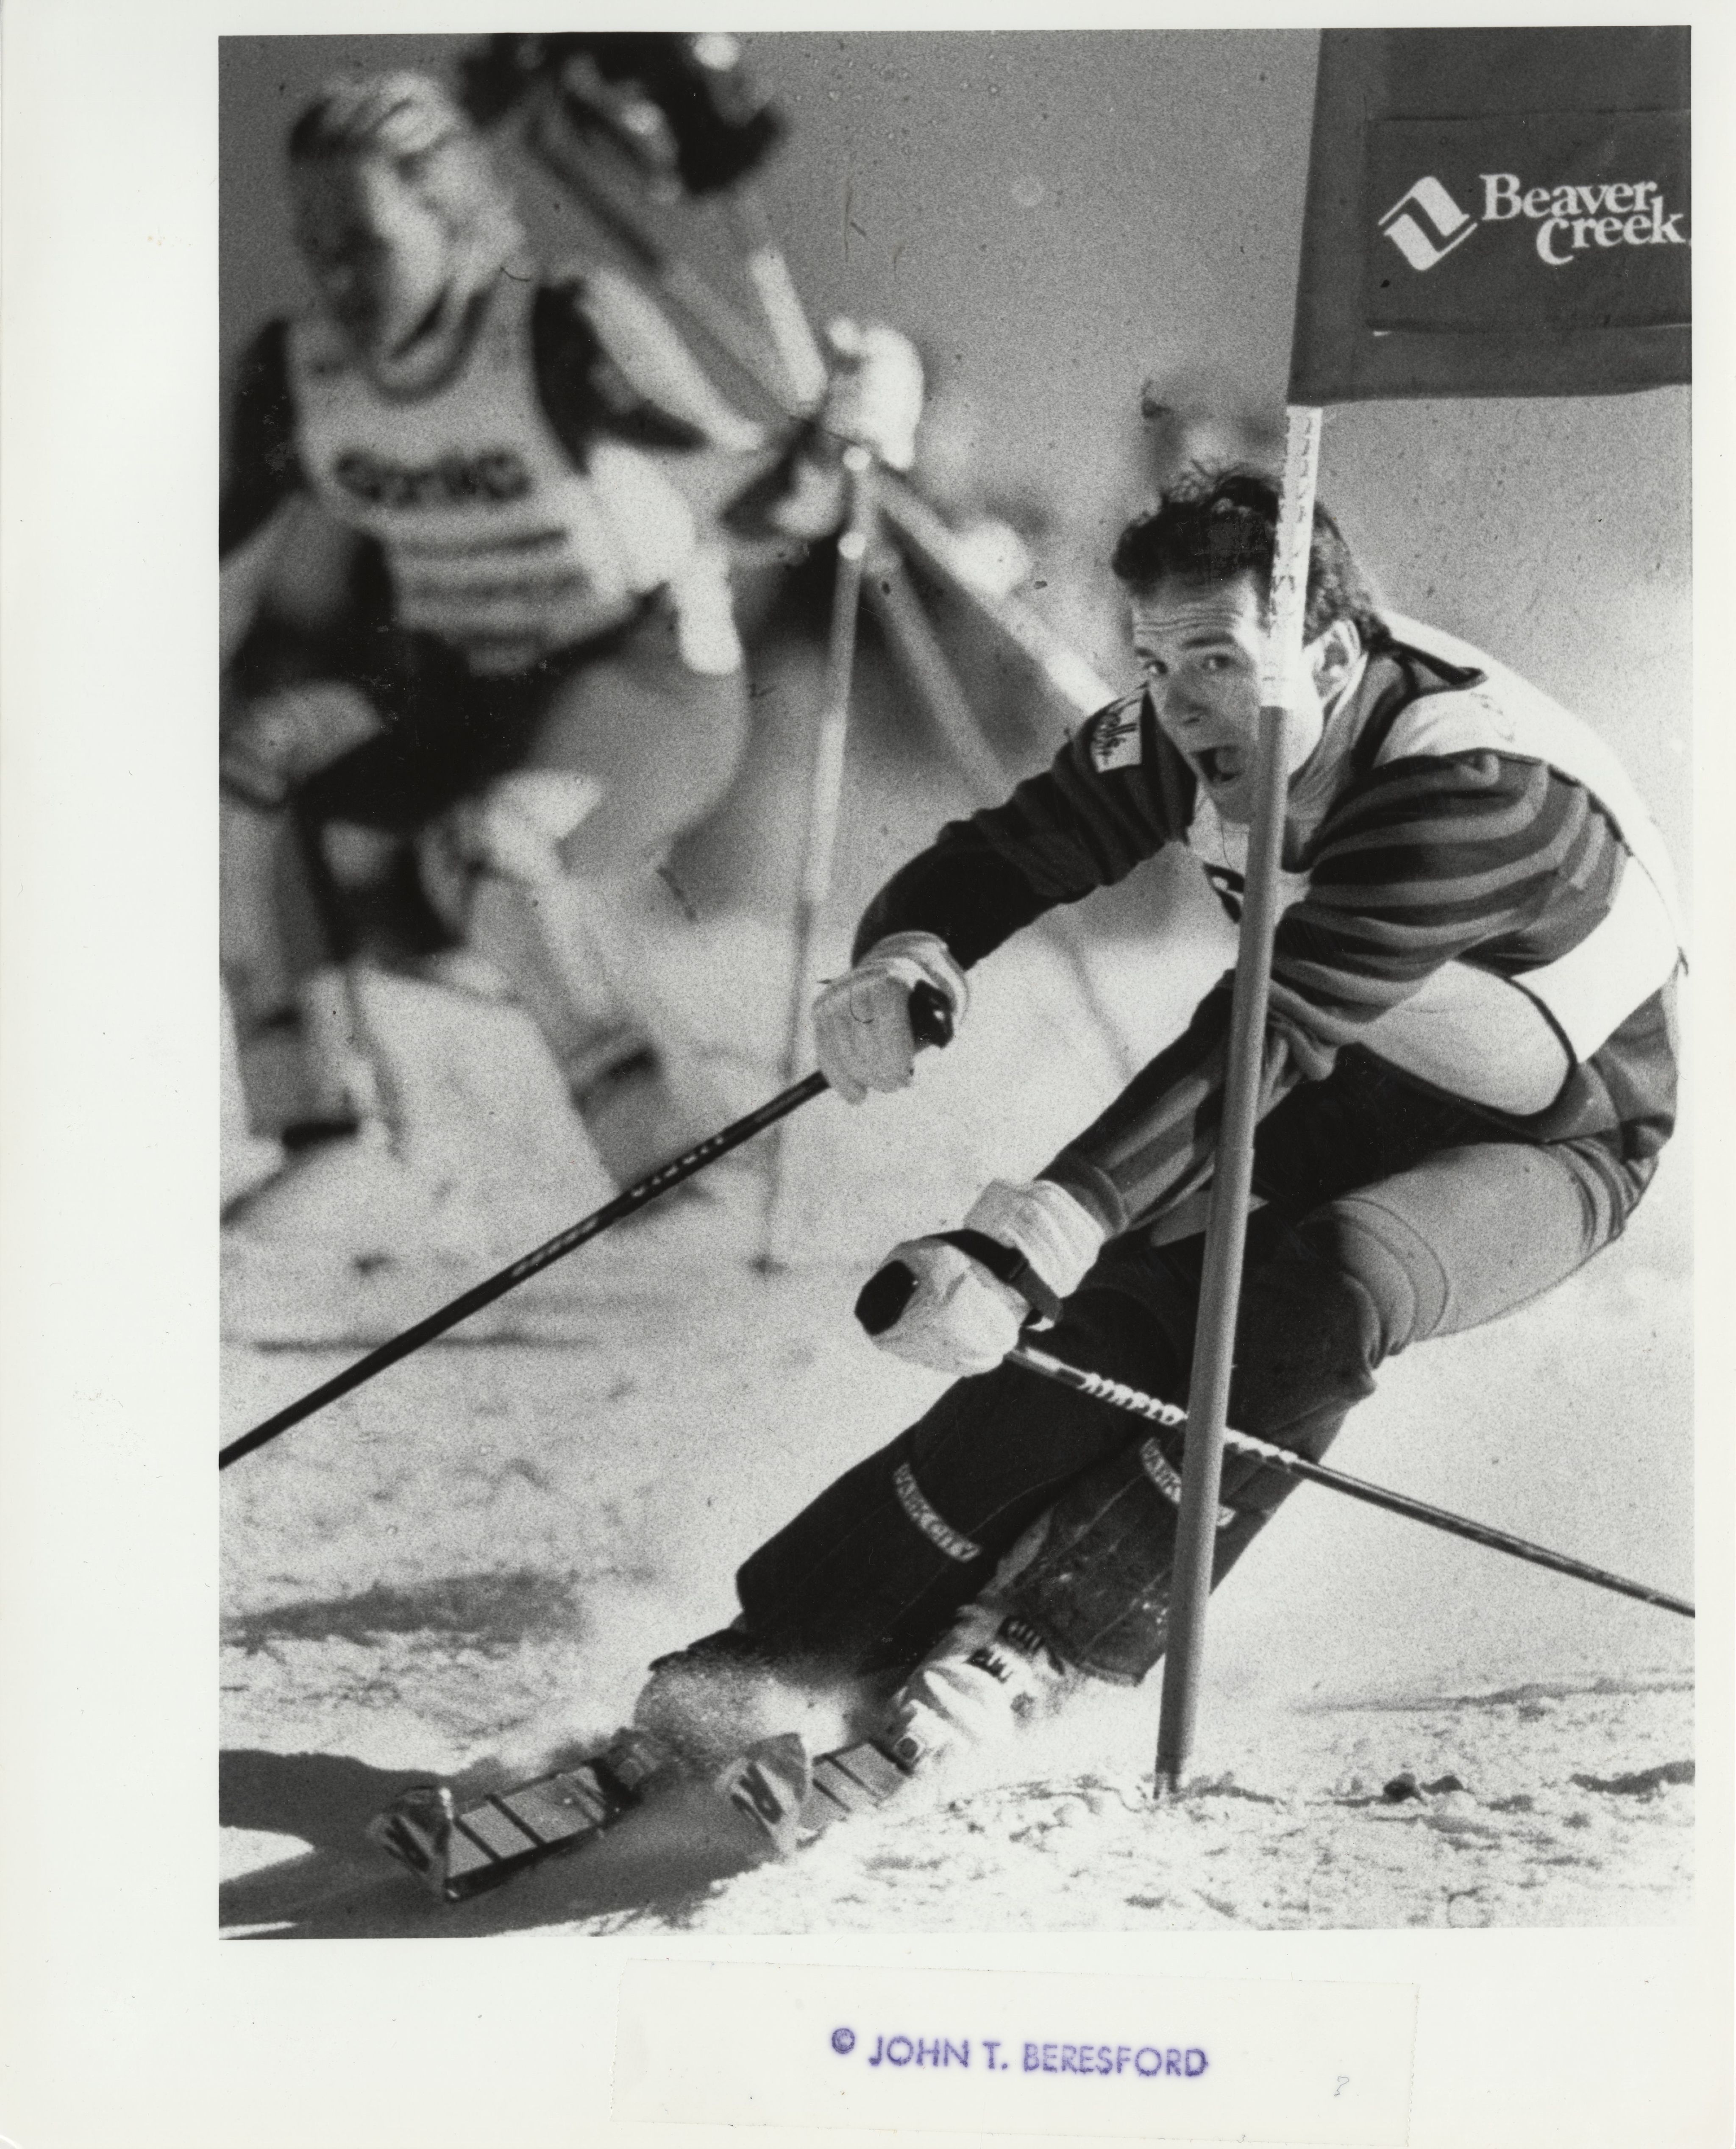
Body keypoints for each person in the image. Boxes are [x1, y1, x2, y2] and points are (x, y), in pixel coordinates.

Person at [606, 461, 1684, 1844]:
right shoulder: (1191, 733)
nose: (1180, 701)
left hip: (1550, 1142)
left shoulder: (1477, 788)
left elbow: (1269, 1025)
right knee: (1101, 1342)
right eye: (1158, 659)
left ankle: (1039, 1650)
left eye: (1220, 659)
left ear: (1333, 651)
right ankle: (779, 1649)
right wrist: (911, 955)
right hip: (1349, 1083)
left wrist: (1025, 1234)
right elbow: (1007, 853)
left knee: (1326, 1287)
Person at [219, 71, 923, 1261]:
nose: (336, 278)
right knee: (244, 775)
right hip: (456, 688)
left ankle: (677, 1172)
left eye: (368, 241)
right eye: (315, 244)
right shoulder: (300, 371)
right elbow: (218, 567)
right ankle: (334, 1142)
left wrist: (846, 430)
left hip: (640, 684)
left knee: (494, 844)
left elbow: (755, 498)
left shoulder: (559, 328)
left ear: (454, 218)